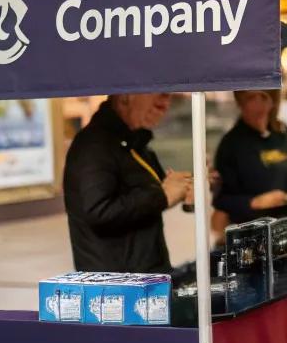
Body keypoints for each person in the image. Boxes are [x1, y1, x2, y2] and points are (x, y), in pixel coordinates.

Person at [63, 93, 192, 272]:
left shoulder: (134, 142)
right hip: (116, 283)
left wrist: (185, 187)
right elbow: (99, 211)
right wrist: (162, 196)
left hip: (146, 274)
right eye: (157, 89)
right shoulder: (94, 145)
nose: (166, 98)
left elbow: (157, 192)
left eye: (168, 93)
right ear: (125, 96)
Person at [214, 90, 287, 227]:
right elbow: (221, 200)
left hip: (286, 222)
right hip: (250, 227)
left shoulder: (282, 135)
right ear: (240, 102)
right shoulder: (231, 144)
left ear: (272, 101)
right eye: (251, 98)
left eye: (263, 97)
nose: (258, 104)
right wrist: (255, 202)